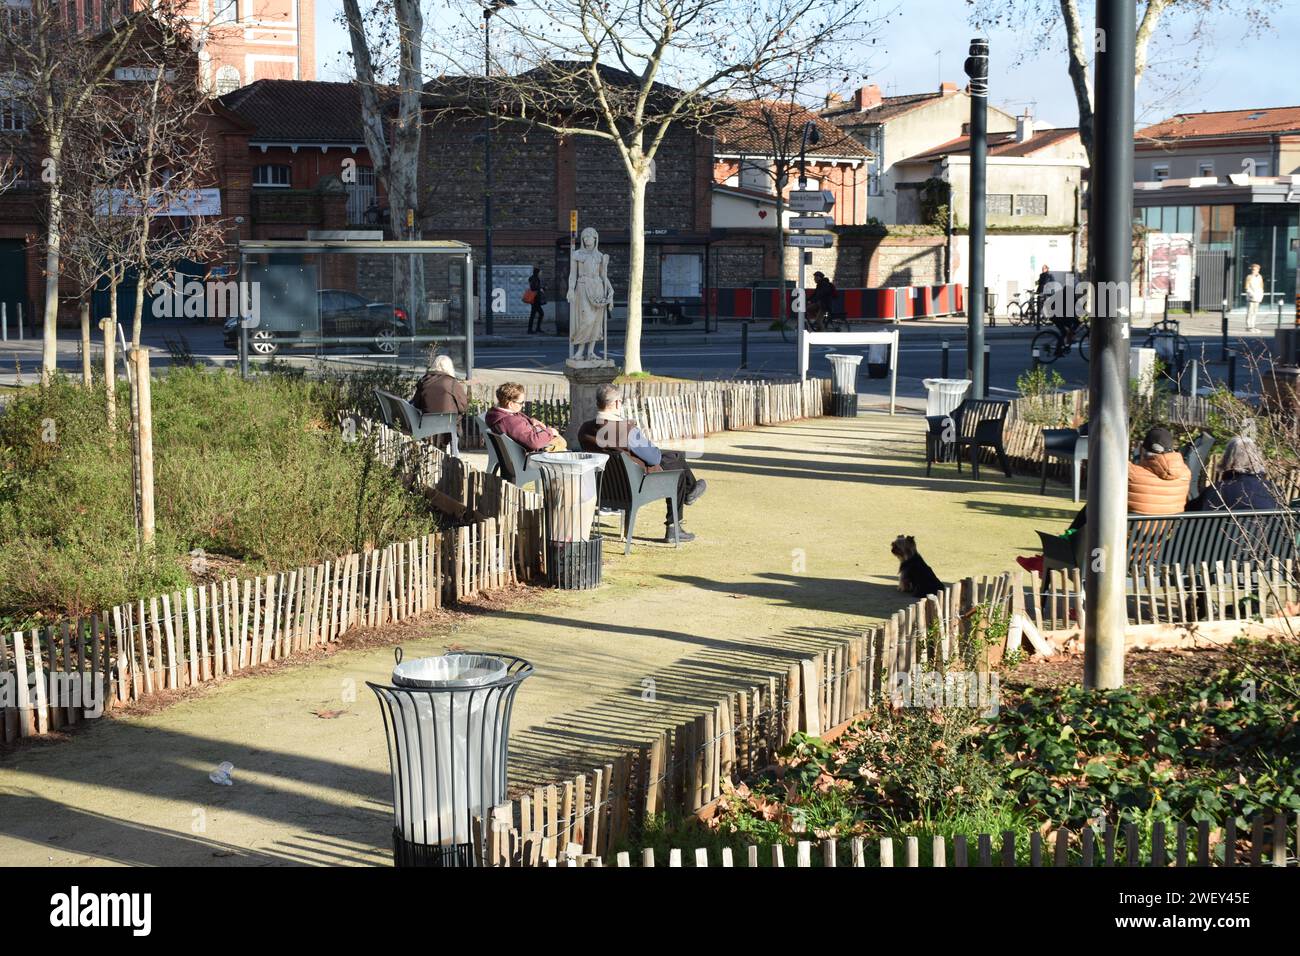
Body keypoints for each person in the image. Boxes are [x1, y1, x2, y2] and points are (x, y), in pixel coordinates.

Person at [578, 383, 707, 543]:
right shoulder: (625, 430)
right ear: (617, 403)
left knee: (675, 456)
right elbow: (654, 458)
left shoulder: (584, 429)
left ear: (598, 403)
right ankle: (676, 523)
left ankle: (690, 491)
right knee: (676, 469)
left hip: (603, 486)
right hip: (635, 485)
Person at [1188, 436, 1279, 512]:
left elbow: (1189, 515)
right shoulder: (1275, 492)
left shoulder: (1216, 492)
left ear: (1228, 459)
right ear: (1257, 457)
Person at [485, 382, 567, 453]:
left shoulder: (498, 415)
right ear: (510, 404)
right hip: (532, 458)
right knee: (562, 443)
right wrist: (551, 432)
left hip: (522, 453)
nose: (523, 405)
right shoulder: (510, 421)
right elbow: (534, 442)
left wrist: (531, 421)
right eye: (521, 402)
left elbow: (520, 428)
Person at [1128, 425, 1191, 515]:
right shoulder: (1185, 474)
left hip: (1133, 529)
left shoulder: (1131, 473)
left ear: (1142, 450)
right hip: (1169, 528)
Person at [411, 354, 468, 451]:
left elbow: (416, 404)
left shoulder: (424, 381)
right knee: (457, 417)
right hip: (449, 425)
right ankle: (454, 453)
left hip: (427, 425)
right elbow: (463, 407)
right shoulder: (452, 383)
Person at [1244, 263, 1264, 333]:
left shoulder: (1260, 277)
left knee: (1255, 312)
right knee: (1250, 312)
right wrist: (1251, 294)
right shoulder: (1249, 277)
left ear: (1258, 270)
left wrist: (1261, 295)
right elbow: (1247, 287)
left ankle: (1253, 325)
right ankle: (1249, 326)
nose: (1253, 271)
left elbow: (1261, 287)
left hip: (1257, 297)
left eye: (1254, 269)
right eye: (1252, 269)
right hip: (1251, 297)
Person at [527, 266, 546, 335]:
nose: (541, 273)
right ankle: (532, 329)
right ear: (537, 272)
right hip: (535, 299)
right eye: (540, 272)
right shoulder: (534, 279)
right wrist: (540, 288)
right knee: (539, 314)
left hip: (535, 299)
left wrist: (542, 288)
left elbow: (535, 287)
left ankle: (535, 329)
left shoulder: (535, 278)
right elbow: (533, 288)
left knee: (536, 314)